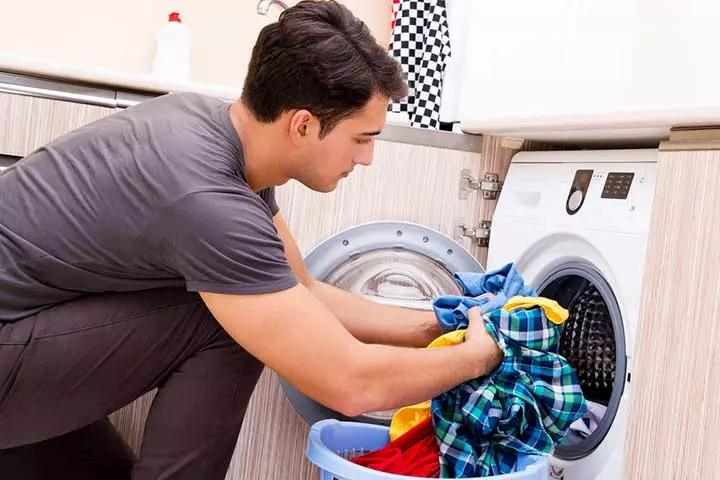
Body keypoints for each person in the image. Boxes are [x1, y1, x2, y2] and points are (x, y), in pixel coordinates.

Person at [0, 1, 502, 478]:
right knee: (226, 318)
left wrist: (438, 325)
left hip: (28, 327)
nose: (367, 158)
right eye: (362, 138)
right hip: (13, 342)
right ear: (303, 125)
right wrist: (474, 358)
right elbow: (350, 383)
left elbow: (301, 289)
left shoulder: (210, 129)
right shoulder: (209, 200)